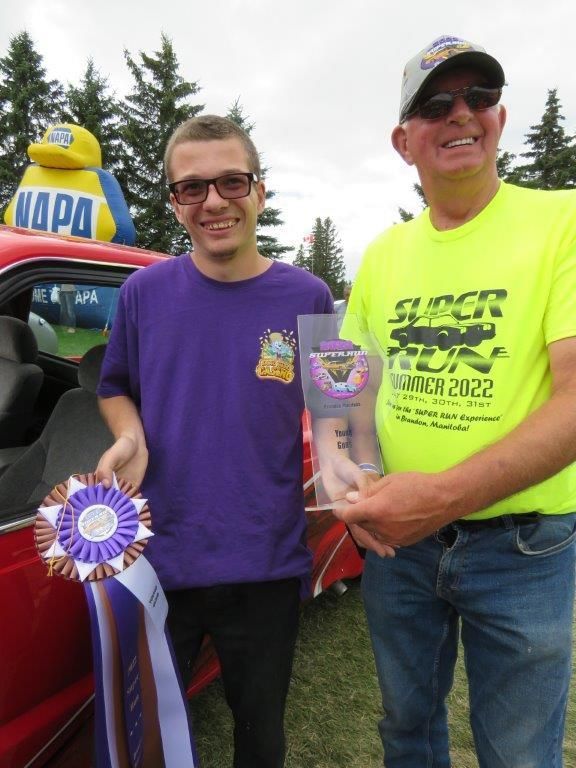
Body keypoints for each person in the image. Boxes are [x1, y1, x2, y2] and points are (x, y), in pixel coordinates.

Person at [332, 35, 576, 767]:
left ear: (499, 120)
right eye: (436, 105)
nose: (461, 114)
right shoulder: (382, 254)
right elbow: (343, 393)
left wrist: (437, 496)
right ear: (405, 141)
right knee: (406, 726)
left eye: (479, 98)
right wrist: (349, 487)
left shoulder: (563, 221)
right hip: (398, 548)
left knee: (518, 750)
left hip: (526, 547)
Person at [95, 115, 333, 768]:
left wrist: (351, 472)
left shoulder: (308, 295)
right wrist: (129, 434)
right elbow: (114, 386)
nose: (214, 202)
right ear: (175, 202)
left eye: (231, 181)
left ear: (259, 191)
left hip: (266, 563)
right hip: (160, 561)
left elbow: (338, 412)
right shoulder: (144, 294)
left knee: (259, 735)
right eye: (192, 189)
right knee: (155, 738)